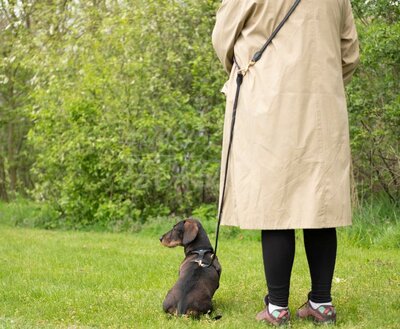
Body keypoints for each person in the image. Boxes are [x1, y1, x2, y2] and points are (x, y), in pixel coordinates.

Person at [212, 0, 359, 326]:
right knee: (319, 204)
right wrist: (318, 81)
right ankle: (321, 303)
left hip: (267, 104)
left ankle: (277, 308)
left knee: (276, 205)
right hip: (322, 105)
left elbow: (222, 38)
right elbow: (349, 54)